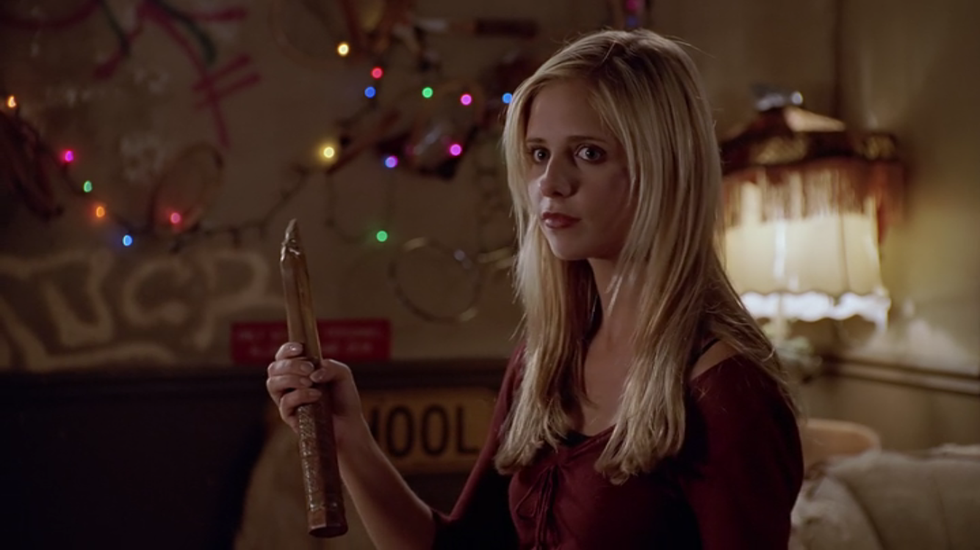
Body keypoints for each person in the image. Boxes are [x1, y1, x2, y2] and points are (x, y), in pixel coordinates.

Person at [266, 28, 803, 549]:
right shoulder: (542, 362)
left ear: (663, 167)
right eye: (539, 154)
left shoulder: (725, 389)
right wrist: (348, 437)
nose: (550, 183)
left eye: (589, 153)